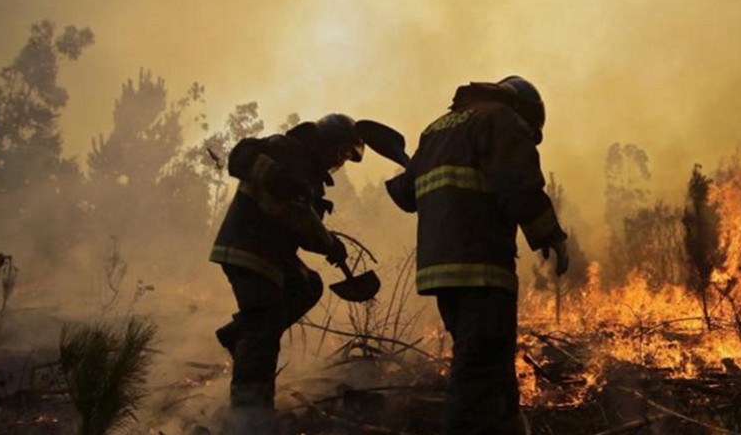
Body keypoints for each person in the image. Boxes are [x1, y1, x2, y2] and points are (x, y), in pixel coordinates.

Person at [386, 76, 569, 434]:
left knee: (491, 365)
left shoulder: (435, 130)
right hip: (482, 266)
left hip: (440, 273)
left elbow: (405, 195)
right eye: (530, 130)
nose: (527, 134)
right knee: (477, 375)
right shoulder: (500, 118)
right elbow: (518, 183)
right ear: (525, 112)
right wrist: (550, 233)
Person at [209, 113, 363, 420]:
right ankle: (250, 414)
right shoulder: (288, 151)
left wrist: (319, 225)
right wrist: (329, 243)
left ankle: (237, 333)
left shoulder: (305, 173)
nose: (341, 162)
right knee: (264, 323)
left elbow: (299, 221)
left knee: (307, 286)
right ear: (327, 143)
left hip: (272, 254)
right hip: (249, 248)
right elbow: (240, 157)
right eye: (341, 153)